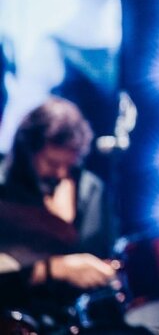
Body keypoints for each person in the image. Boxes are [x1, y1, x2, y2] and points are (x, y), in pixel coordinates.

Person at [0, 96, 117, 329]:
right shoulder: (5, 191)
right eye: (52, 164)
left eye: (69, 165)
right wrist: (56, 269)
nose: (61, 174)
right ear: (28, 151)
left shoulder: (91, 189)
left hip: (82, 322)